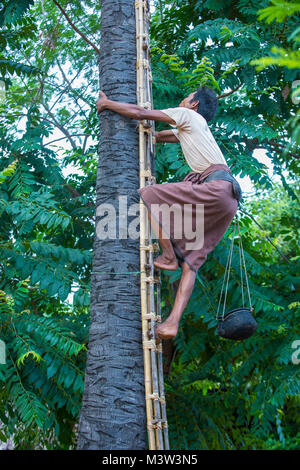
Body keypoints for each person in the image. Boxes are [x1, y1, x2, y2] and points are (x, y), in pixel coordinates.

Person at [96, 86, 242, 341]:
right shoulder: (197, 128)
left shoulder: (187, 116)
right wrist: (151, 136)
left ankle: (167, 255)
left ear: (194, 104)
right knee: (192, 262)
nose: (181, 100)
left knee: (150, 194)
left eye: (186, 97)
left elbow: (141, 113)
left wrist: (107, 105)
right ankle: (171, 323)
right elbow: (162, 135)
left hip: (216, 188)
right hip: (229, 199)